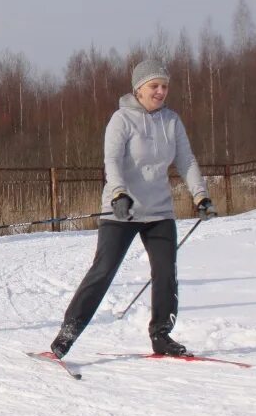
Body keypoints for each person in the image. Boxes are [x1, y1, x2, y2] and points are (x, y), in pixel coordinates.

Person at [50, 59, 217, 358]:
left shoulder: (172, 121)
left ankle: (161, 335)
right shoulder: (121, 120)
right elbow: (111, 161)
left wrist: (200, 196)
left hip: (159, 212)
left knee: (166, 272)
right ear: (139, 89)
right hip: (121, 210)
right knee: (103, 271)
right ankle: (67, 336)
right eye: (154, 86)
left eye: (165, 86)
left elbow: (187, 161)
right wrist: (118, 193)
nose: (161, 91)